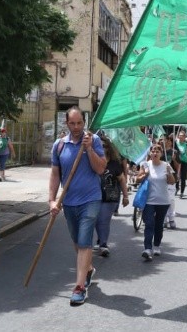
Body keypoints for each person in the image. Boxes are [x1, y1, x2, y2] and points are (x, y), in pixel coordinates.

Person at [48, 107, 106, 306]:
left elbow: (100, 168)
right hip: (69, 201)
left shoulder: (93, 140)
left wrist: (89, 149)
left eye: (79, 123)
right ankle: (88, 269)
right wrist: (52, 200)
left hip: (91, 199)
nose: (76, 127)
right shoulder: (59, 146)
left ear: (84, 122)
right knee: (76, 240)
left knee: (84, 241)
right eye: (72, 123)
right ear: (67, 123)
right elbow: (55, 174)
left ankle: (79, 287)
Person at [136, 143, 176, 261]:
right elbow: (137, 179)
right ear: (150, 153)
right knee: (149, 224)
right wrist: (145, 174)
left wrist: (169, 173)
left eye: (157, 151)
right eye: (153, 151)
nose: (155, 153)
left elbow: (172, 181)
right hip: (148, 201)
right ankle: (147, 249)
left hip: (163, 201)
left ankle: (157, 245)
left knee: (159, 225)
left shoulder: (166, 165)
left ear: (161, 154)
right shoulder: (145, 164)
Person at [95, 136, 129, 257]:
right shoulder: (93, 161)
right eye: (99, 146)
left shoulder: (114, 164)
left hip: (110, 197)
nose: (102, 148)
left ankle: (103, 244)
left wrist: (125, 196)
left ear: (109, 148)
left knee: (103, 220)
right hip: (94, 196)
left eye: (104, 146)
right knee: (96, 221)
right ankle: (100, 239)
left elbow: (122, 180)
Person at [163, 135, 180, 229]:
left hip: (171, 178)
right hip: (161, 178)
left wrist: (174, 159)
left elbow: (178, 166)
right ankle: (164, 219)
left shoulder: (174, 152)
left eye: (164, 140)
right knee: (162, 199)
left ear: (169, 141)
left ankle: (171, 218)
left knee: (170, 199)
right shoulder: (158, 151)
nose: (162, 141)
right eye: (161, 139)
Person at [175, 130, 187, 198]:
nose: (181, 137)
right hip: (177, 162)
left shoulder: (186, 145)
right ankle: (176, 187)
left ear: (185, 137)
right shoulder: (176, 143)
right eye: (180, 135)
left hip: (184, 162)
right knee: (176, 176)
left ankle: (182, 192)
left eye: (182, 136)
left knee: (183, 177)